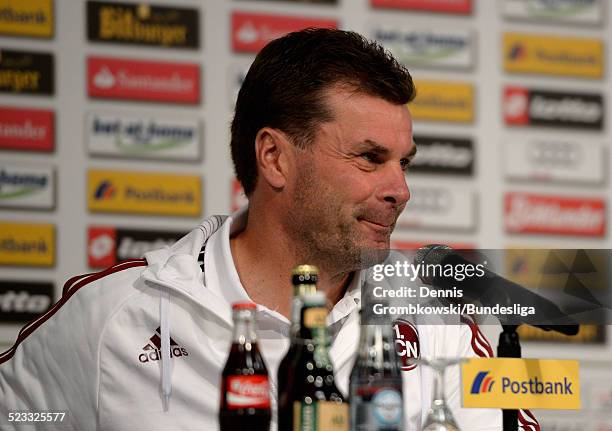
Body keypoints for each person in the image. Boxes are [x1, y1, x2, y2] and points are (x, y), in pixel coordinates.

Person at [0, 28, 539, 430]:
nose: (401, 189)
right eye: (370, 158)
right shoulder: (118, 316)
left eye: (404, 162)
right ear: (275, 158)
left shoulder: (435, 319)